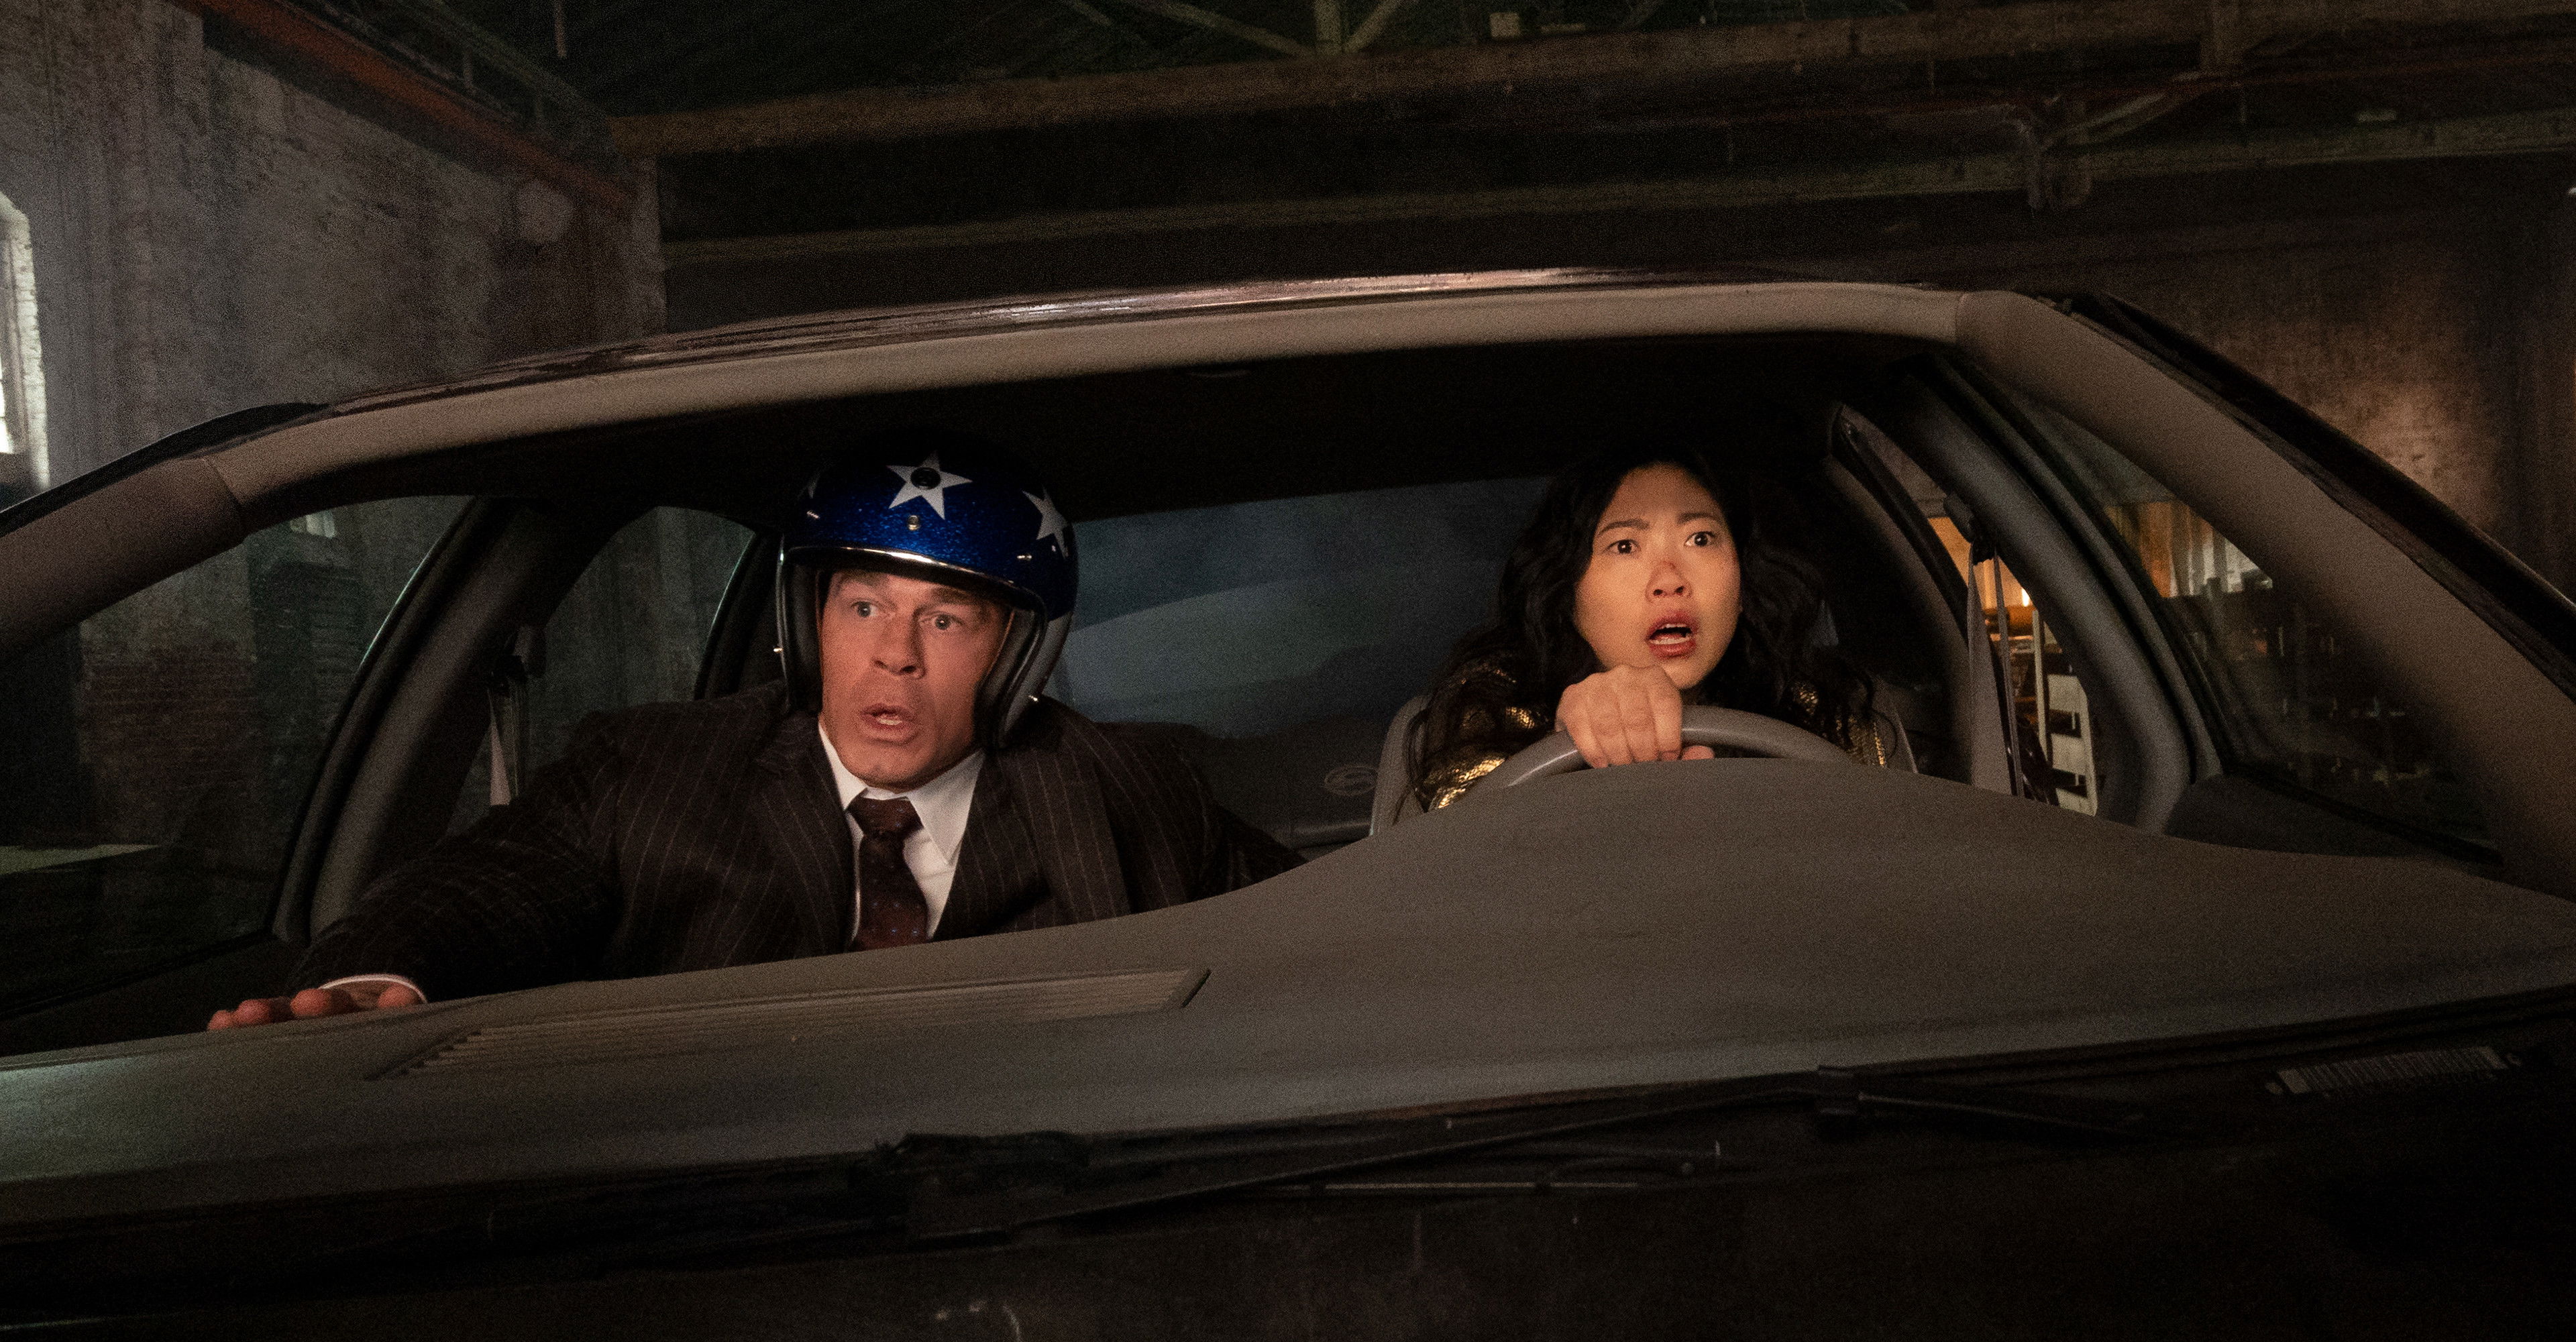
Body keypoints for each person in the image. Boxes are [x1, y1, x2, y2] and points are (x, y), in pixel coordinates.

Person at [209, 429, 1301, 1029]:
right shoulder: (649, 770)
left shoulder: (1127, 786)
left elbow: (1311, 930)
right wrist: (376, 984)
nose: (895, 654)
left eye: (947, 620)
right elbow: (490, 882)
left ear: (1018, 657)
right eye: (862, 607)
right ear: (808, 623)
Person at [1409, 438, 1898, 812]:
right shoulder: (1489, 715)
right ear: (1567, 592)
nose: (1670, 580)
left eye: (1701, 539)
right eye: (1625, 546)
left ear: (1743, 582)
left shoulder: (1822, 713)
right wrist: (1568, 749)